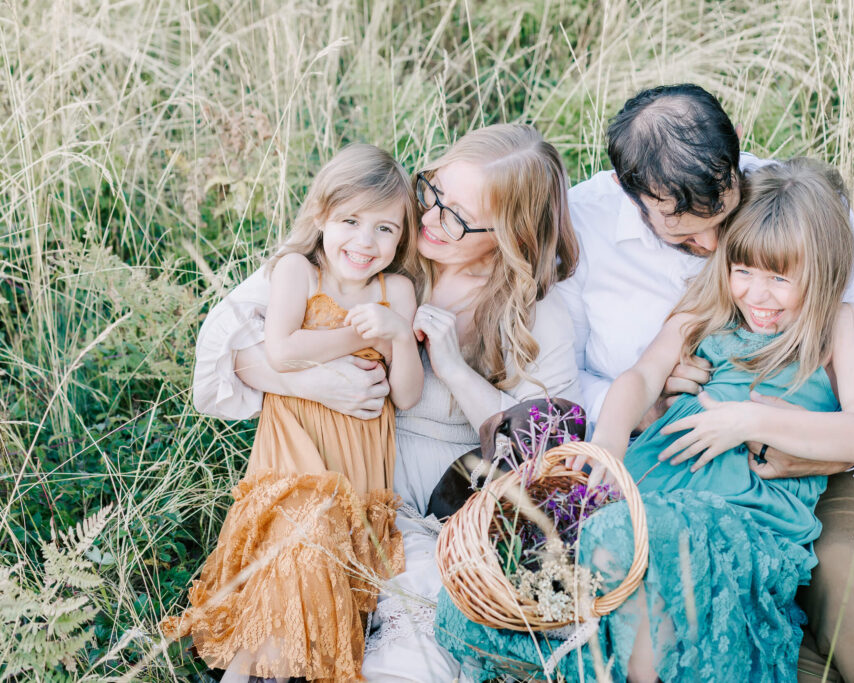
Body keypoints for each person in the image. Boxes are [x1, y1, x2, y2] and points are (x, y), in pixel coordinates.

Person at [558, 84, 854, 681]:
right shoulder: (582, 228)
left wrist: (806, 445)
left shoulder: (793, 206)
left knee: (846, 575)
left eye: (725, 224)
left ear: (735, 168)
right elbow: (584, 375)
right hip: (671, 457)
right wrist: (627, 428)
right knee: (658, 577)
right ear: (630, 192)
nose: (717, 252)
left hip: (810, 464)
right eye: (693, 236)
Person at [433, 157, 854, 681]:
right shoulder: (709, 308)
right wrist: (607, 444)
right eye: (743, 271)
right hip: (645, 495)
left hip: (732, 522)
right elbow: (640, 379)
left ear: (824, 269)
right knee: (471, 596)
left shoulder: (843, 327)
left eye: (780, 278)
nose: (757, 296)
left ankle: (619, 653)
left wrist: (745, 421)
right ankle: (590, 654)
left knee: (636, 550)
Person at [186, 123, 582, 681]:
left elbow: (541, 452)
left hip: (444, 507)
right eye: (433, 192)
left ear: (511, 233)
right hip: (337, 471)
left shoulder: (539, 316)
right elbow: (226, 344)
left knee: (410, 648)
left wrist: (451, 366)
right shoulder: (378, 248)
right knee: (291, 603)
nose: (430, 218)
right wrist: (304, 382)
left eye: (457, 216)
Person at [160, 144, 422, 681]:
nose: (365, 242)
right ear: (322, 215)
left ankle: (259, 673)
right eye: (350, 220)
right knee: (296, 543)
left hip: (359, 463)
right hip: (294, 446)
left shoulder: (397, 289)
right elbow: (279, 350)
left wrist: (400, 335)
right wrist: (359, 332)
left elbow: (407, 395)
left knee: (307, 573)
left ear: (402, 238)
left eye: (385, 229)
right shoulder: (298, 271)